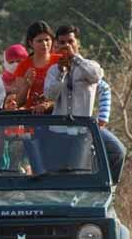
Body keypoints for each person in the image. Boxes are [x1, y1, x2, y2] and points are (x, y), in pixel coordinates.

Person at [43, 24, 126, 174]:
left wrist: (75, 58)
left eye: (70, 41)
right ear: (57, 46)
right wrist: (62, 73)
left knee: (117, 151)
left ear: (78, 43)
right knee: (60, 174)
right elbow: (50, 95)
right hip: (59, 131)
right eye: (62, 43)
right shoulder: (53, 70)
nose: (66, 46)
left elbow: (96, 76)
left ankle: (106, 185)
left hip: (82, 130)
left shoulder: (89, 66)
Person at [3, 21, 60, 111]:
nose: (44, 44)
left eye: (47, 40)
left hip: (57, 114)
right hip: (31, 116)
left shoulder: (60, 61)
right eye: (39, 41)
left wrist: (48, 104)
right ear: (30, 43)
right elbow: (19, 102)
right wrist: (27, 84)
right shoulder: (23, 66)